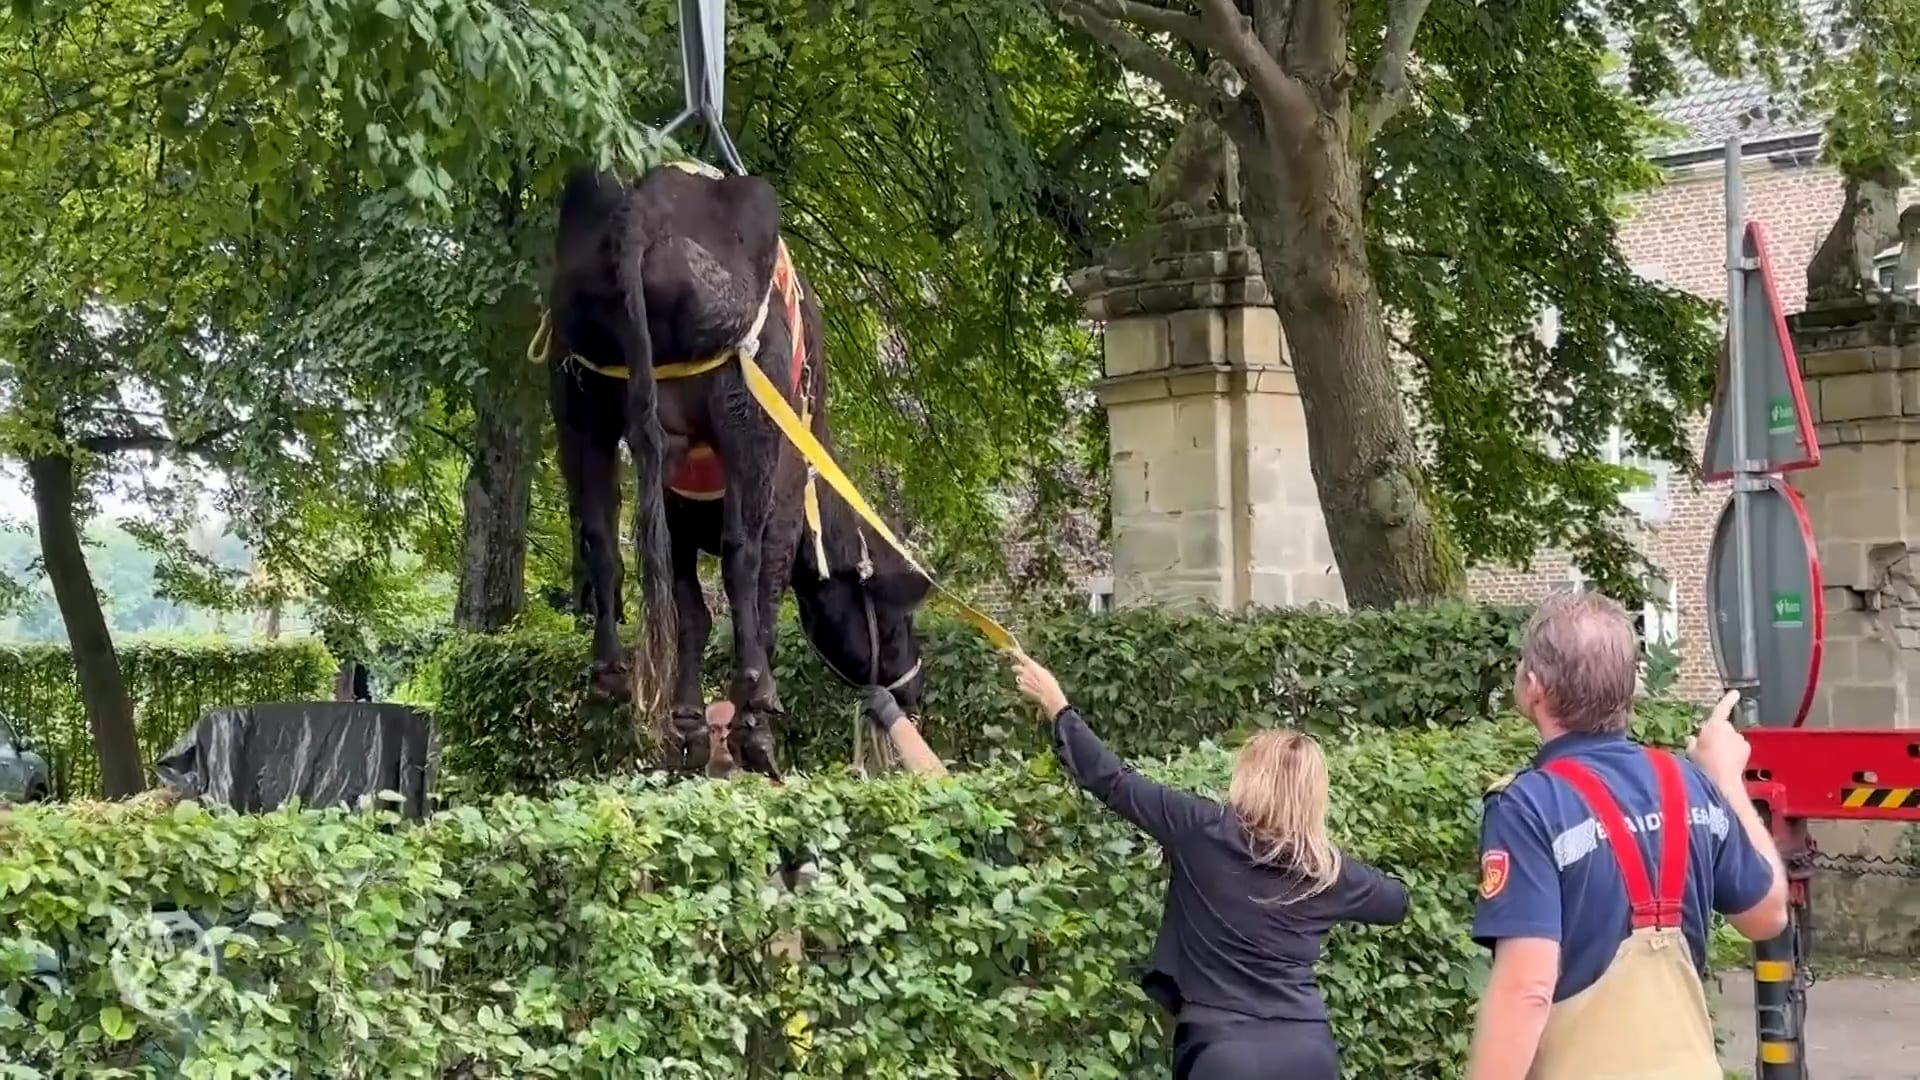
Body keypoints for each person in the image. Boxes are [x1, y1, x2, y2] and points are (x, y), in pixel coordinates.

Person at [1007, 650, 1409, 1080]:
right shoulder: (1328, 873)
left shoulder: (1201, 828)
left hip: (1222, 1052)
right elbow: (1396, 901)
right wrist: (1330, 861)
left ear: (1250, 778)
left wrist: (1057, 705)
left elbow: (1112, 780)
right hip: (1308, 1053)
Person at [1466, 590, 1789, 1079]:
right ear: (1630, 688)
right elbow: (1768, 915)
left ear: (1533, 686)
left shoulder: (1528, 805)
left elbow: (1527, 988)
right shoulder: (1689, 784)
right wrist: (1728, 783)